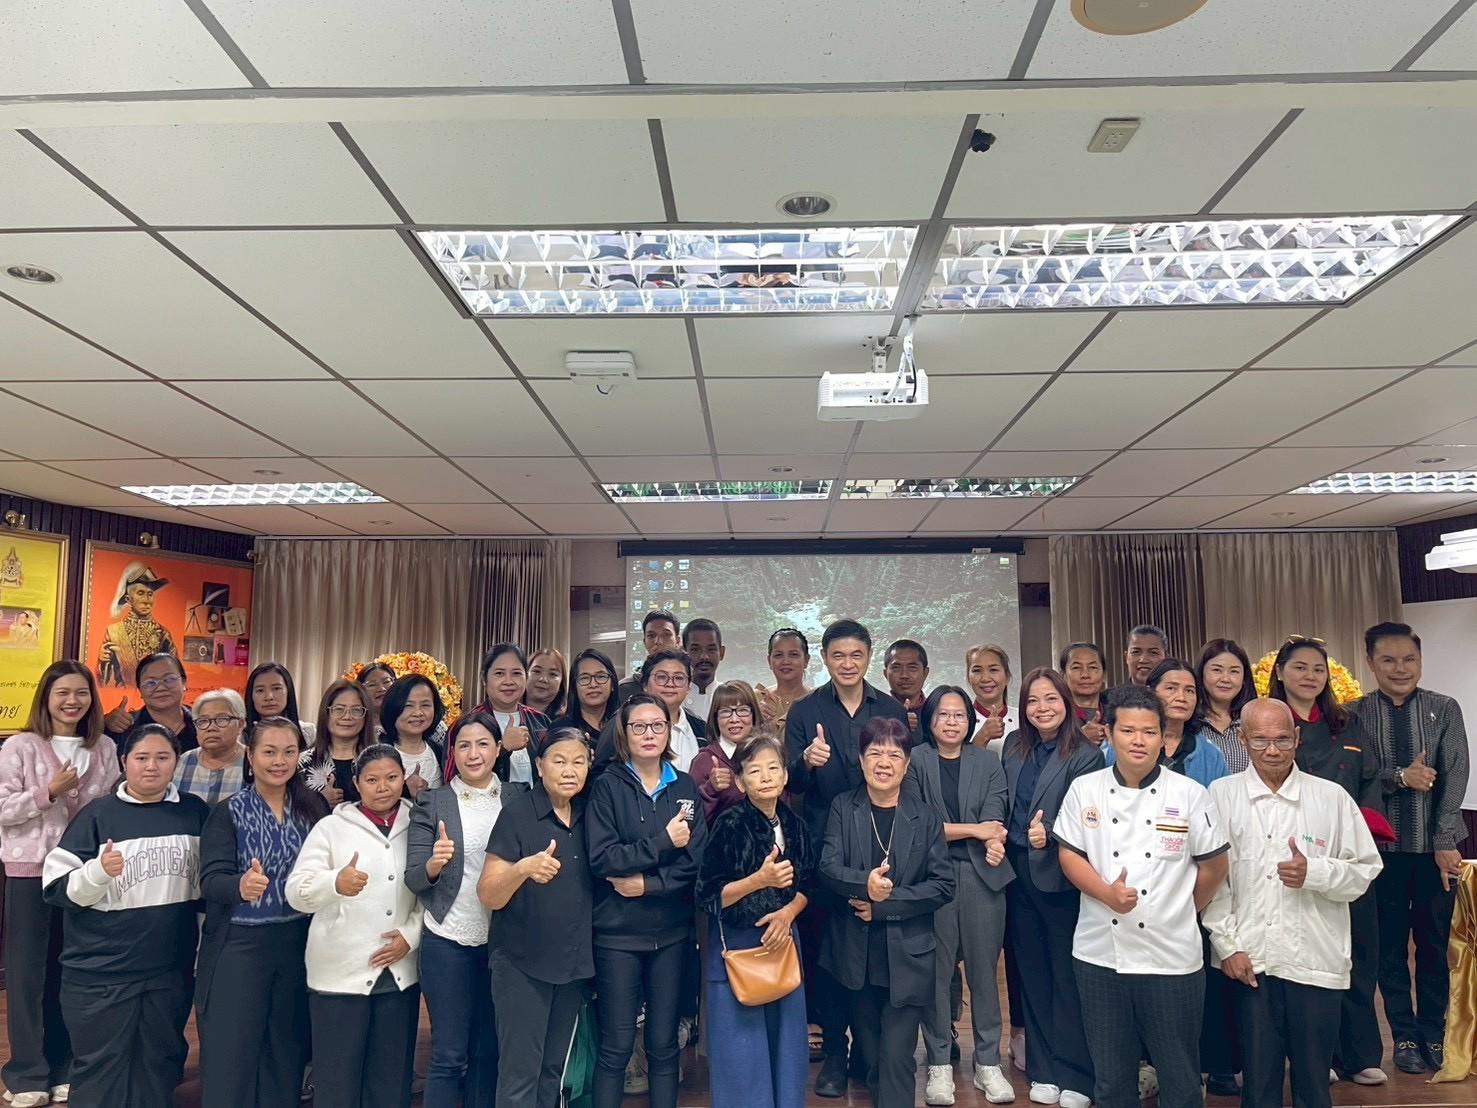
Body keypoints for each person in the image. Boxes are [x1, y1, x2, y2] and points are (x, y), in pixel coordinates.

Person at [1055, 684, 1230, 1108]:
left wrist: (1181, 909)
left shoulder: (1189, 794)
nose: (1139, 741)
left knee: (1181, 1075)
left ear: (1162, 736)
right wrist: (1107, 894)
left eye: (1149, 732)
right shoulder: (1085, 789)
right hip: (1101, 954)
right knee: (1112, 1078)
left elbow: (1214, 867)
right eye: (1128, 731)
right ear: (1109, 733)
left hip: (1173, 956)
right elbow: (1070, 855)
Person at [1204, 699, 1383, 1108]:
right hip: (1250, 960)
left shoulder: (1331, 798)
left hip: (1315, 959)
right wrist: (1227, 946)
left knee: (1315, 1085)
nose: (1272, 750)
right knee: (1258, 1084)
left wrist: (1315, 873)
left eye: (1282, 739)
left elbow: (1365, 870)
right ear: (1242, 739)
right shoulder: (1221, 796)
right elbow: (1214, 881)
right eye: (1260, 740)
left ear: (1297, 738)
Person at [43, 724, 209, 1106]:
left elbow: (208, 886)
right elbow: (56, 888)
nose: (151, 766)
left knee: (159, 1064)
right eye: (142, 757)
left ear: (176, 762)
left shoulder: (195, 812)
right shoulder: (97, 815)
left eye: (162, 757)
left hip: (169, 971)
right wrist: (98, 872)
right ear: (124, 762)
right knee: (100, 1070)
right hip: (101, 974)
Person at [783, 618, 909, 1097]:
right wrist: (806, 762)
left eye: (856, 655)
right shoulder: (806, 710)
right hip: (825, 848)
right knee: (830, 955)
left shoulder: (890, 708)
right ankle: (835, 1053)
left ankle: (867, 1053)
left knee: (873, 954)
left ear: (869, 657)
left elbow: (903, 771)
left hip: (880, 843)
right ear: (824, 659)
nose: (848, 663)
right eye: (838, 655)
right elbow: (792, 783)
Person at [1348, 621, 1469, 1075]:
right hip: (1379, 853)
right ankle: (1404, 1036)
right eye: (1388, 660)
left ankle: (1434, 1032)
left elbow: (1456, 774)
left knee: (1436, 946)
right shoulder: (1353, 714)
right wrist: (1401, 777)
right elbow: (1353, 778)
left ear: (1420, 661)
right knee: (1390, 948)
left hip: (1435, 852)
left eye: (1409, 659)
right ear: (1370, 663)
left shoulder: (1444, 708)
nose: (1400, 668)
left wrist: (1443, 841)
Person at [1266, 635, 1387, 1083]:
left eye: (1318, 668)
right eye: (1299, 667)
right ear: (1280, 673)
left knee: (1360, 952)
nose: (1310, 676)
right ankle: (1320, 1058)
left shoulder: (1347, 723)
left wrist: (1360, 831)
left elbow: (1370, 778)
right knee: (1310, 958)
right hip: (1293, 851)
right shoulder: (1272, 722)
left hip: (1347, 851)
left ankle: (1361, 1054)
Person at [0, 662, 118, 1107]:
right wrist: (48, 791)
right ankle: (26, 1072)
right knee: (27, 975)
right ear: (46, 698)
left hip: (83, 877)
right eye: (62, 692)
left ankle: (67, 1065)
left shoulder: (104, 747)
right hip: (30, 873)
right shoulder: (21, 746)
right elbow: (3, 808)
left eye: (81, 692)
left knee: (74, 972)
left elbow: (111, 807)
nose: (72, 701)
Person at [820, 716, 953, 1108]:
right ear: (861, 760)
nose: (884, 762)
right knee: (873, 1059)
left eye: (894, 755)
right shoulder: (844, 807)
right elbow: (827, 867)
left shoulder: (925, 817)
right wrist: (864, 883)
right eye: (875, 753)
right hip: (855, 957)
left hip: (908, 956)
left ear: (907, 764)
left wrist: (884, 904)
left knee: (896, 1059)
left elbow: (943, 885)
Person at [197, 717, 329, 1108]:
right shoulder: (228, 812)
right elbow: (210, 881)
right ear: (250, 756)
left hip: (297, 944)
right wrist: (239, 885)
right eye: (269, 752)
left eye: (289, 752)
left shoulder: (313, 808)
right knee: (231, 1054)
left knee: (284, 1051)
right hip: (240, 947)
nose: (279, 761)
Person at [586, 694, 709, 1108]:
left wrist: (648, 885)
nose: (649, 734)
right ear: (624, 733)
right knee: (617, 1046)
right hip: (617, 935)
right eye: (639, 726)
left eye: (657, 725)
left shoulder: (685, 786)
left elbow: (695, 861)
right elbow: (603, 858)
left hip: (671, 934)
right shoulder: (606, 785)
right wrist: (662, 843)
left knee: (663, 1044)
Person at [287, 744, 423, 1108]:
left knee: (390, 1081)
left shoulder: (420, 823)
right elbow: (296, 892)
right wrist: (334, 882)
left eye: (392, 777)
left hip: (398, 973)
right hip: (339, 972)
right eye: (372, 780)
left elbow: (432, 891)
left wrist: (410, 936)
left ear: (403, 778)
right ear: (357, 783)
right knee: (337, 1081)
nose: (383, 787)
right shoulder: (331, 827)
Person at [1002, 666, 1104, 1108]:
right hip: (1014, 874)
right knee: (1031, 974)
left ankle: (1076, 1074)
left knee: (1067, 977)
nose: (1041, 708)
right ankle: (1043, 1069)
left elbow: (1088, 818)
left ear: (1066, 703)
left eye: (1050, 699)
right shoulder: (1013, 746)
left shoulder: (1085, 754)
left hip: (1061, 876)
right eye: (1032, 700)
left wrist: (1051, 835)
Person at [696, 734, 814, 1108]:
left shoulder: (795, 824)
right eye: (755, 770)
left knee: (786, 1046)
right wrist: (758, 880)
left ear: (785, 776)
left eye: (773, 768)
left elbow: (809, 884)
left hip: (783, 942)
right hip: (739, 946)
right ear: (741, 780)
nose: (766, 777)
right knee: (741, 1053)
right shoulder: (729, 825)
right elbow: (708, 895)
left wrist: (787, 913)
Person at [910, 686, 1016, 1106]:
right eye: (943, 714)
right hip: (932, 878)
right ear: (929, 720)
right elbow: (919, 824)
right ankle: (938, 1062)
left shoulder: (986, 761)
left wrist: (993, 840)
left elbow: (997, 812)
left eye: (958, 715)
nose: (951, 722)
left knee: (984, 973)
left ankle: (988, 1062)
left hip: (981, 877)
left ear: (969, 721)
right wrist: (976, 831)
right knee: (936, 974)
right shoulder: (916, 760)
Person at [479, 727, 593, 1107]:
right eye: (559, 761)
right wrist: (522, 869)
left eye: (578, 762)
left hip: (571, 964)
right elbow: (489, 894)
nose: (569, 770)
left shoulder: (590, 814)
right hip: (521, 964)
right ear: (540, 766)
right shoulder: (517, 814)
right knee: (519, 1076)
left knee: (553, 1072)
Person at [406, 711, 507, 1107]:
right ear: (452, 753)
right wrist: (434, 863)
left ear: (498, 749)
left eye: (483, 744)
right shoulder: (433, 802)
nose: (473, 753)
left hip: (504, 941)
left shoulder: (518, 798)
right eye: (463, 745)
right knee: (449, 1055)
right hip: (447, 938)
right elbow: (415, 877)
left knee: (488, 1050)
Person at [1106, 659, 1228, 788]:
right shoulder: (1121, 745)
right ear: (1151, 692)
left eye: (1189, 691)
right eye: (1171, 688)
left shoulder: (1210, 754)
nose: (1181, 698)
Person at [595, 649, 708, 774]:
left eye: (679, 678)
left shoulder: (700, 728)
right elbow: (600, 773)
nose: (670, 684)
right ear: (644, 684)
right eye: (661, 677)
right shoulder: (621, 722)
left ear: (688, 686)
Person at [475, 643, 552, 786]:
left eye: (516, 673)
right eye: (499, 673)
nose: (508, 681)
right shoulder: (468, 724)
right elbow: (456, 781)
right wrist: (503, 748)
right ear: (484, 679)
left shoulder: (541, 721)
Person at [690, 680, 760, 821]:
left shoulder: (767, 755)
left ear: (754, 715)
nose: (734, 719)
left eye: (743, 710)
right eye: (726, 712)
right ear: (715, 718)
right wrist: (710, 789)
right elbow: (692, 819)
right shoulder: (704, 761)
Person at [96, 564, 174, 688]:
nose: (146, 600)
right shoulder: (113, 631)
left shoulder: (163, 634)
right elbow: (101, 683)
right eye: (141, 593)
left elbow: (174, 675)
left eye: (150, 594)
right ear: (128, 599)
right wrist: (102, 661)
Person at [103, 651, 198, 752]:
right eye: (150, 683)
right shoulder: (123, 727)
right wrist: (103, 723)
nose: (161, 688)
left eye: (169, 679)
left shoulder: (202, 723)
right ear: (140, 690)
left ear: (184, 682)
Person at [303, 678, 377, 805]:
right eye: (338, 709)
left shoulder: (381, 760)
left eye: (356, 710)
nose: (347, 716)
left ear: (366, 716)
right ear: (326, 713)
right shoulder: (303, 762)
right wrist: (318, 802)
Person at [173, 688, 247, 805]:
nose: (211, 728)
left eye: (222, 719)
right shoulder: (183, 761)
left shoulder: (254, 762)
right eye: (203, 721)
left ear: (240, 725)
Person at [381, 673, 445, 801]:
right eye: (408, 705)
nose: (418, 713)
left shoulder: (441, 752)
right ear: (391, 708)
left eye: (425, 705)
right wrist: (404, 789)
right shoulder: (377, 753)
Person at [1195, 639, 1254, 775]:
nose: (1225, 679)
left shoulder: (1252, 723)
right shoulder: (1188, 723)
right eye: (1217, 670)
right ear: (1201, 673)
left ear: (1244, 678)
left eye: (1234, 672)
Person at [552, 647, 619, 749]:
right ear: (574, 687)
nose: (593, 684)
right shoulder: (560, 729)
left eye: (601, 677)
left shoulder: (624, 725)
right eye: (584, 678)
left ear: (613, 684)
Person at [618, 611, 682, 704]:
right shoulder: (625, 688)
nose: (658, 641)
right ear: (644, 642)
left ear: (678, 641)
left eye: (666, 635)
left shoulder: (688, 685)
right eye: (651, 636)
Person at [755, 628, 812, 733]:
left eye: (793, 654)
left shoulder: (818, 700)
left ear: (806, 660)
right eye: (778, 655)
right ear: (769, 661)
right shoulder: (756, 699)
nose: (786, 661)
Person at [246, 661, 315, 745]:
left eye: (276, 688)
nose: (269, 697)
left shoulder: (309, 734)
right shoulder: (239, 736)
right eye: (260, 690)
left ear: (288, 691)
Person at [967, 644, 1016, 751]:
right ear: (968, 678)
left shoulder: (1024, 718)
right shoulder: (958, 720)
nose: (985, 678)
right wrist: (982, 736)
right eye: (977, 670)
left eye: (993, 670)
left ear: (1007, 677)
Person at [1059, 643, 1107, 746]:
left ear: (1104, 675)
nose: (1085, 675)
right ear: (1063, 676)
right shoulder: (1054, 714)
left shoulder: (1118, 711)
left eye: (1093, 667)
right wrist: (1080, 739)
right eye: (1076, 667)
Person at [883, 639, 930, 737]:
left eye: (912, 668)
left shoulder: (937, 712)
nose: (904, 675)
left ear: (925, 673)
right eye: (896, 668)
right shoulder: (874, 711)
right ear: (885, 674)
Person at [681, 618, 726, 720]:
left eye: (711, 649)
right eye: (695, 650)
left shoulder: (731, 698)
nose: (704, 656)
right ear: (683, 653)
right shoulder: (674, 699)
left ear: (722, 653)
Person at [527, 648, 569, 719]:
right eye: (537, 671)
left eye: (552, 674)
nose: (543, 679)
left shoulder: (567, 722)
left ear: (561, 684)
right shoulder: (508, 712)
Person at [358, 663, 396, 736]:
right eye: (372, 684)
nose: (381, 689)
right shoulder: (354, 724)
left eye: (386, 682)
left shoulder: (404, 721)